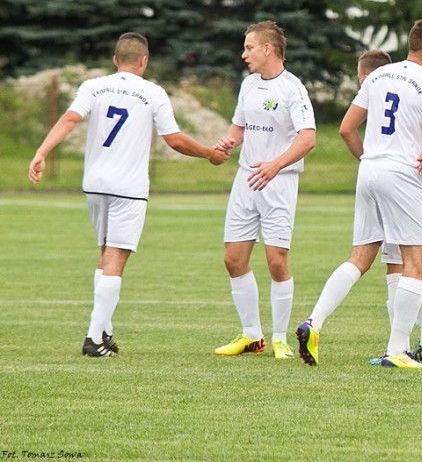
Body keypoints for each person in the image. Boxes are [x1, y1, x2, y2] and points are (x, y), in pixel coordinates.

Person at [28, 32, 230, 357]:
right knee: (116, 257)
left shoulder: (93, 86)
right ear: (144, 61)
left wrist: (41, 152)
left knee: (106, 253)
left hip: (95, 183)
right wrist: (209, 153)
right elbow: (174, 139)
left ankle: (104, 330)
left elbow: (69, 118)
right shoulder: (153, 92)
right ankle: (94, 338)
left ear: (115, 60)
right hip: (128, 188)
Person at [296, 19, 422, 370]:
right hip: (404, 176)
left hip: (368, 171)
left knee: (359, 257)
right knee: (415, 263)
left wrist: (370, 159)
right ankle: (397, 350)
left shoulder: (379, 76)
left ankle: (313, 322)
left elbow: (346, 128)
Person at [212, 21, 317, 360]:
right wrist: (229, 141)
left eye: (249, 48)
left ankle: (280, 338)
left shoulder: (292, 89)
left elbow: (308, 138)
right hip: (246, 180)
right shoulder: (248, 85)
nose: (244, 54)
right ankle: (252, 336)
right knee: (233, 259)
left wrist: (276, 165)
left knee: (276, 262)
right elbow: (239, 127)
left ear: (268, 49)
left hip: (279, 183)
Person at [356, 50, 422, 364]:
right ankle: (418, 345)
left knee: (408, 265)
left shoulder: (386, 83)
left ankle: (401, 348)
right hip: (408, 184)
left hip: (411, 185)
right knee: (409, 266)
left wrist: (369, 161)